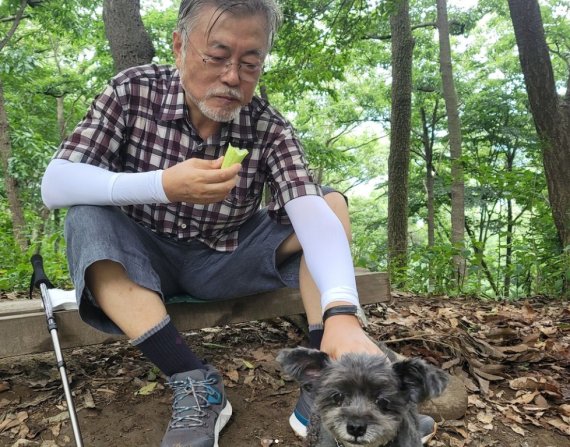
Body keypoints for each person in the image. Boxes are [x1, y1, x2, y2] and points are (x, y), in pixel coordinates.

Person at [41, 1, 435, 445]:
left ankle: (324, 383)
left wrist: (343, 311)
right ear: (179, 46)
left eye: (251, 64)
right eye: (216, 56)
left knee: (328, 202)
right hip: (140, 262)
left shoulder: (267, 126)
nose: (232, 77)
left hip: (226, 259)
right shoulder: (132, 92)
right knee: (85, 215)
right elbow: (56, 182)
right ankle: (192, 379)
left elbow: (308, 211)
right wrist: (162, 185)